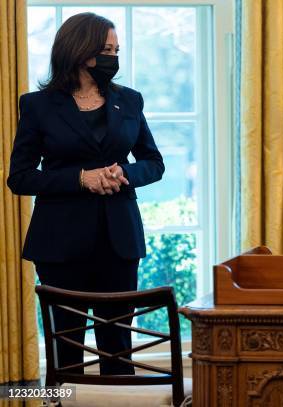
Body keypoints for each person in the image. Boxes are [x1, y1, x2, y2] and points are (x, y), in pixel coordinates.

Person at [7, 13, 164, 374]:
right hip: (59, 243)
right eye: (106, 50)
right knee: (66, 351)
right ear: (80, 51)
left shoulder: (130, 100)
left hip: (119, 240)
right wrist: (81, 179)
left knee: (117, 350)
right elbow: (21, 177)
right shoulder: (37, 105)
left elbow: (153, 163)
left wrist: (125, 172)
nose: (114, 57)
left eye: (116, 49)